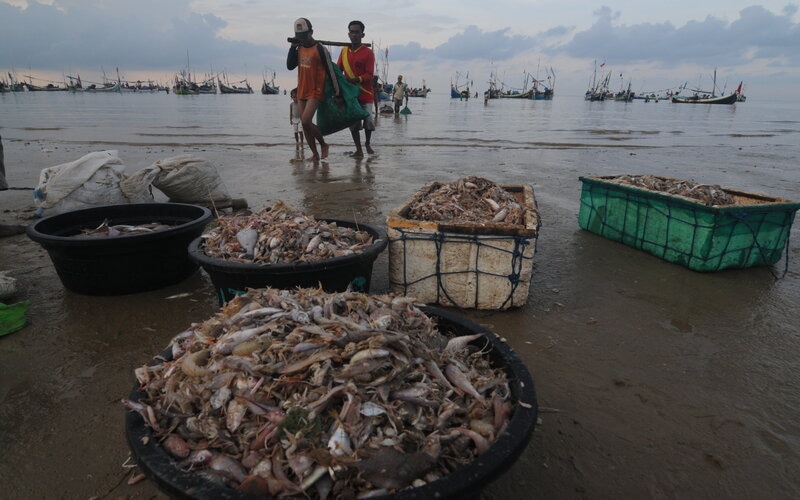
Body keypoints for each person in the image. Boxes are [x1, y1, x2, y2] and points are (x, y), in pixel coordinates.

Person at [286, 17, 341, 161]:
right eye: (300, 37)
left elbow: (330, 71)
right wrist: (292, 47)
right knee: (305, 126)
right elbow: (290, 66)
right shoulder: (299, 48)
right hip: (302, 90)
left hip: (316, 90)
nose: (302, 39)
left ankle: (323, 144)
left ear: (311, 32)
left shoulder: (320, 48)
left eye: (304, 36)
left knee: (305, 121)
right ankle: (315, 154)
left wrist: (337, 92)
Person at [336, 20, 375, 157]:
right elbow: (338, 70)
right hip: (351, 96)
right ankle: (358, 149)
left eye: (357, 32)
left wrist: (356, 79)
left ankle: (367, 143)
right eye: (351, 32)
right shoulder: (344, 51)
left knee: (369, 121)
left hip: (366, 94)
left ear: (362, 34)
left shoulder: (368, 53)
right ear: (348, 34)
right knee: (353, 123)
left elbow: (369, 74)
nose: (354, 35)